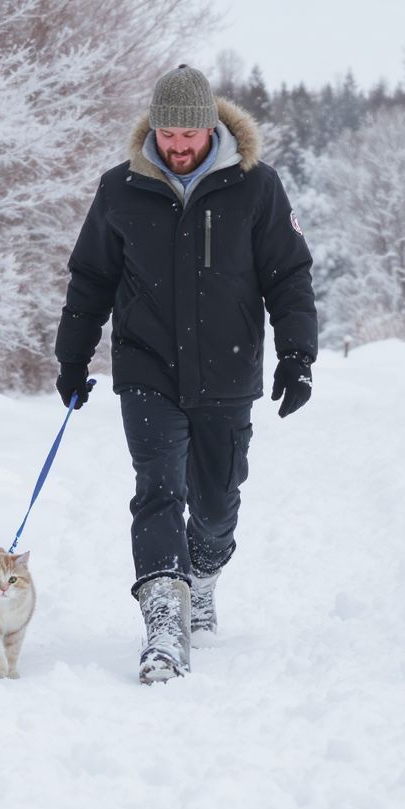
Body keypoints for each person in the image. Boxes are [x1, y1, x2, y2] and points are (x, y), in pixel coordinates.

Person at [53, 65, 318, 683]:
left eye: (188, 135)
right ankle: (164, 623)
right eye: (167, 134)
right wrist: (72, 357)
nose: (176, 146)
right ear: (153, 130)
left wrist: (297, 357)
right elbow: (91, 279)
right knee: (158, 490)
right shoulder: (120, 189)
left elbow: (289, 276)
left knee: (218, 501)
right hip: (146, 369)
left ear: (211, 128)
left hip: (228, 374)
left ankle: (204, 573)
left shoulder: (256, 188)